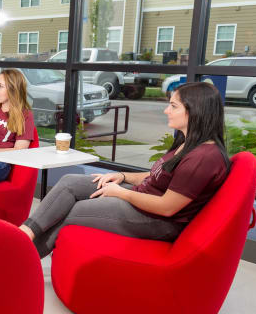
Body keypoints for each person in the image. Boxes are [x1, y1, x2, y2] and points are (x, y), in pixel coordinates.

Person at [19, 81, 230, 257]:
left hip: (156, 220)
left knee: (73, 211)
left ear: (195, 111)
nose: (167, 110)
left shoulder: (203, 158)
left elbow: (167, 207)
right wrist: (121, 176)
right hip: (143, 200)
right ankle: (23, 235)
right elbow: (157, 175)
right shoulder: (188, 143)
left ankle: (20, 260)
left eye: (173, 106)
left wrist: (121, 193)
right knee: (69, 182)